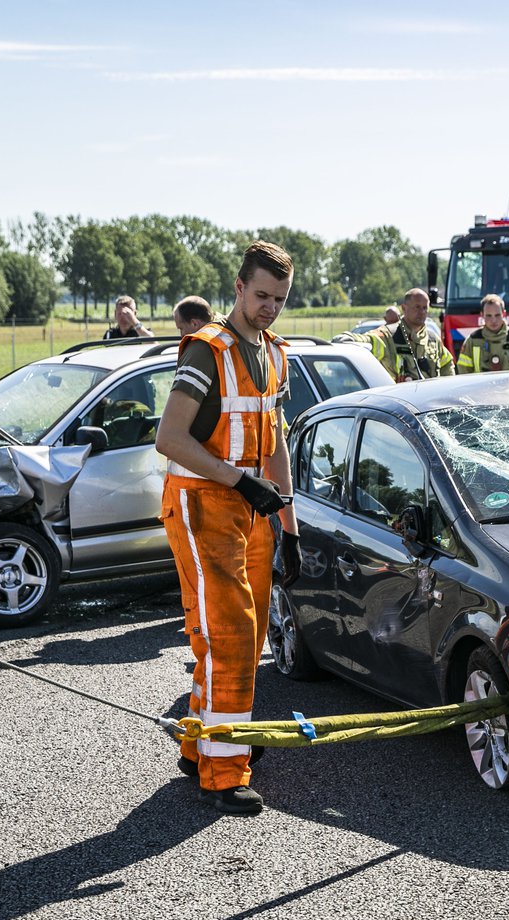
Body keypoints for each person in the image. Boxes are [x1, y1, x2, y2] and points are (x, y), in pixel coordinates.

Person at [153, 241, 302, 816]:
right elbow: (170, 439)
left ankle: (202, 740)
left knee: (247, 631)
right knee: (229, 634)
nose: (269, 308)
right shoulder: (205, 352)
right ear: (237, 288)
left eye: (280, 299)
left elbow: (277, 442)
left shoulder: (276, 353)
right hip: (202, 504)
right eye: (261, 295)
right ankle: (222, 770)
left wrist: (287, 527)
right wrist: (240, 483)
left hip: (253, 509)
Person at [354, 288, 452, 381]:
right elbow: (364, 340)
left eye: (425, 308)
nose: (422, 312)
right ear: (404, 308)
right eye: (417, 307)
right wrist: (345, 338)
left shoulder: (433, 339)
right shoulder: (388, 336)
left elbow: (447, 364)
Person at [458, 294, 509, 373]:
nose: (493, 320)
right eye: (489, 316)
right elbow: (464, 372)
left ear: (503, 314)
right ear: (482, 315)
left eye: (497, 315)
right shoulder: (473, 340)